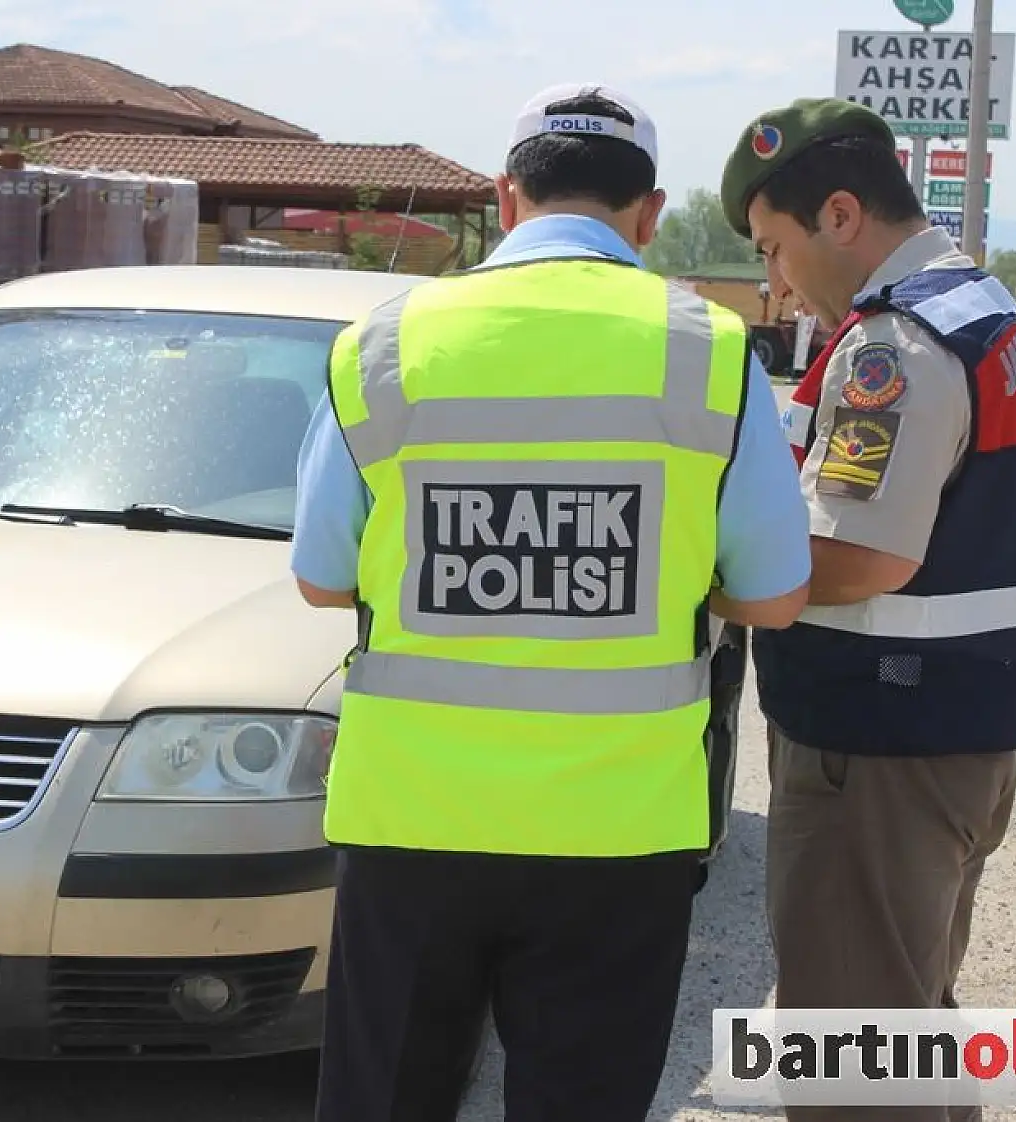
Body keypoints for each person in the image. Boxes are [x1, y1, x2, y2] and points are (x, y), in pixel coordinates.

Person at [290, 82, 812, 1122]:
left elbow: (318, 577)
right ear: (649, 213)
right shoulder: (707, 352)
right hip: (617, 832)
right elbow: (776, 597)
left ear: (504, 197)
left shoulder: (382, 347)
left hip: (410, 820)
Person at [718, 99, 1016, 1121]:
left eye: (774, 248)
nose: (774, 282)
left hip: (877, 752)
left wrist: (717, 583)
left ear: (836, 215)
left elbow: (861, 555)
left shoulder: (894, 346)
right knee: (904, 1036)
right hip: (953, 736)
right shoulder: (987, 316)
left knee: (849, 1070)